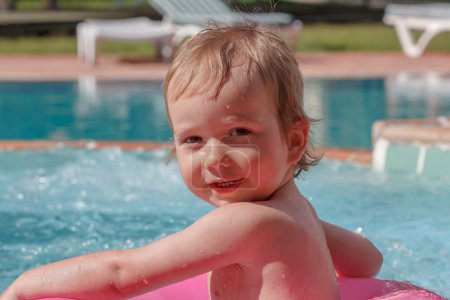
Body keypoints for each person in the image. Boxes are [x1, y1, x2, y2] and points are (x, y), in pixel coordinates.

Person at [1, 24, 382, 300]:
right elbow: (367, 261)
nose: (214, 158)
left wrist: (23, 285)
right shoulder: (298, 213)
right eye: (193, 140)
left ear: (295, 140)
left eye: (239, 133)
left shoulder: (246, 221)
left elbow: (122, 277)